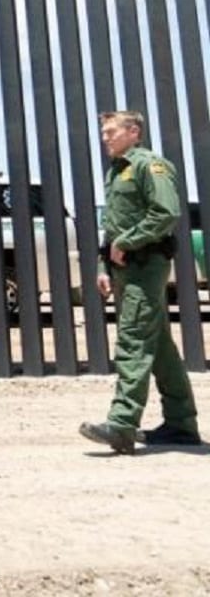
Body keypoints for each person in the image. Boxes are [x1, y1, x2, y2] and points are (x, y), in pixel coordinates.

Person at [79, 110, 200, 455]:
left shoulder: (150, 165)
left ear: (133, 132)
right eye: (103, 132)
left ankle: (121, 425)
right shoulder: (116, 171)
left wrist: (127, 242)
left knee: (133, 339)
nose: (105, 137)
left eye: (111, 131)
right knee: (159, 348)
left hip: (147, 266)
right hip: (125, 268)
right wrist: (104, 264)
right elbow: (114, 225)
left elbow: (166, 212)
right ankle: (181, 425)